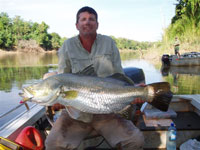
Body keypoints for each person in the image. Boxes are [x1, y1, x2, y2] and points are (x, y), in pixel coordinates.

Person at [44, 6, 144, 150]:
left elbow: (120, 77)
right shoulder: (67, 46)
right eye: (83, 19)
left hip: (109, 111)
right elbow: (62, 79)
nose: (87, 22)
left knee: (135, 141)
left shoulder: (109, 43)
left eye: (91, 19)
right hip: (76, 114)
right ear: (77, 25)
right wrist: (58, 101)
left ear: (97, 24)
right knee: (52, 144)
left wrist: (134, 92)